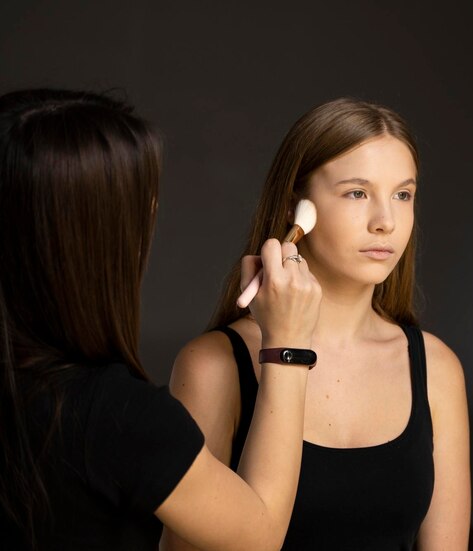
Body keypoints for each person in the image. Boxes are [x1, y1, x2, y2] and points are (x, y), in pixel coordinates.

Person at [0, 88, 321, 551]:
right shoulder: (117, 416)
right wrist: (289, 344)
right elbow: (259, 534)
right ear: (98, 237)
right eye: (143, 204)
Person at [161, 97, 471, 550]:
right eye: (357, 193)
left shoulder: (437, 369)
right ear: (295, 209)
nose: (386, 221)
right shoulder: (213, 366)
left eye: (403, 195)